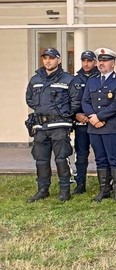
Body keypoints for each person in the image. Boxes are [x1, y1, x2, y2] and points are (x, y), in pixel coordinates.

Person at [25, 47, 81, 202]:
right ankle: (43, 189)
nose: (48, 61)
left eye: (51, 58)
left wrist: (64, 114)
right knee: (41, 159)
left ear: (59, 60)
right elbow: (29, 98)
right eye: (45, 58)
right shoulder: (35, 79)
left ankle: (65, 190)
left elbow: (75, 101)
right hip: (41, 126)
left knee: (61, 158)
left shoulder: (68, 79)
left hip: (59, 126)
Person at [82, 48, 116, 202]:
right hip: (94, 127)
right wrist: (92, 118)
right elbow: (85, 101)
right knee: (100, 159)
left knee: (114, 159)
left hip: (111, 127)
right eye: (100, 60)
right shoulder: (92, 80)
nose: (101, 63)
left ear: (113, 64)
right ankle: (103, 190)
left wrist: (100, 117)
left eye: (105, 61)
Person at [71, 50, 99, 195]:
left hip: (97, 123)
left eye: (89, 60)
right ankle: (80, 184)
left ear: (95, 62)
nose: (86, 64)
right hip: (81, 124)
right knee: (81, 155)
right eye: (84, 61)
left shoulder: (101, 77)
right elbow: (69, 101)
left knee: (102, 156)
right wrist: (75, 115)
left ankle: (105, 185)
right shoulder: (74, 80)